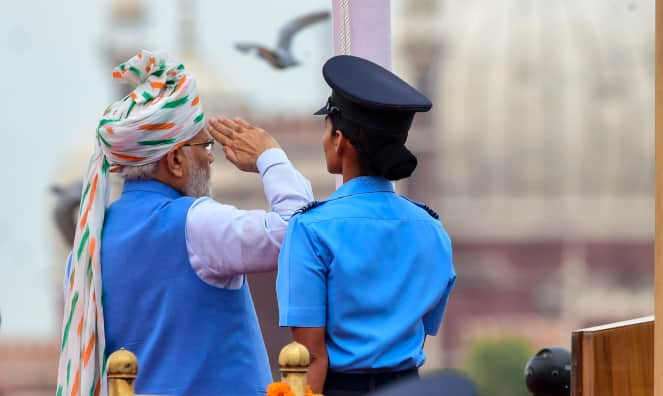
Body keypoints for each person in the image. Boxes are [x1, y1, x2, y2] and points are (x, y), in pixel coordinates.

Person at [57, 50, 313, 396]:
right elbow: (296, 235)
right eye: (203, 145)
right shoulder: (195, 224)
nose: (210, 157)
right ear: (176, 160)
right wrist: (270, 157)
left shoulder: (86, 252)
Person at [276, 55, 456, 396]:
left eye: (326, 129)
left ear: (340, 139)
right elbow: (425, 325)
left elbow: (310, 357)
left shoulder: (311, 229)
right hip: (409, 388)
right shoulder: (432, 229)